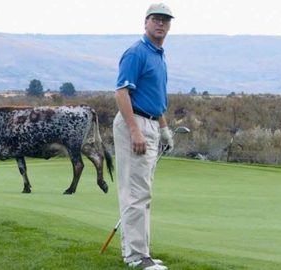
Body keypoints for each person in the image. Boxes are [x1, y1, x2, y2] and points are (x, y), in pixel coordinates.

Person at [113, 3, 174, 270]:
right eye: (156, 19)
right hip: (134, 123)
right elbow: (121, 93)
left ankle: (138, 251)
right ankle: (137, 256)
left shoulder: (158, 54)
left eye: (165, 20)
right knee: (136, 193)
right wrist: (135, 130)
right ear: (146, 22)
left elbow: (155, 98)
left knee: (142, 191)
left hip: (149, 123)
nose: (161, 24)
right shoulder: (136, 53)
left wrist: (163, 128)